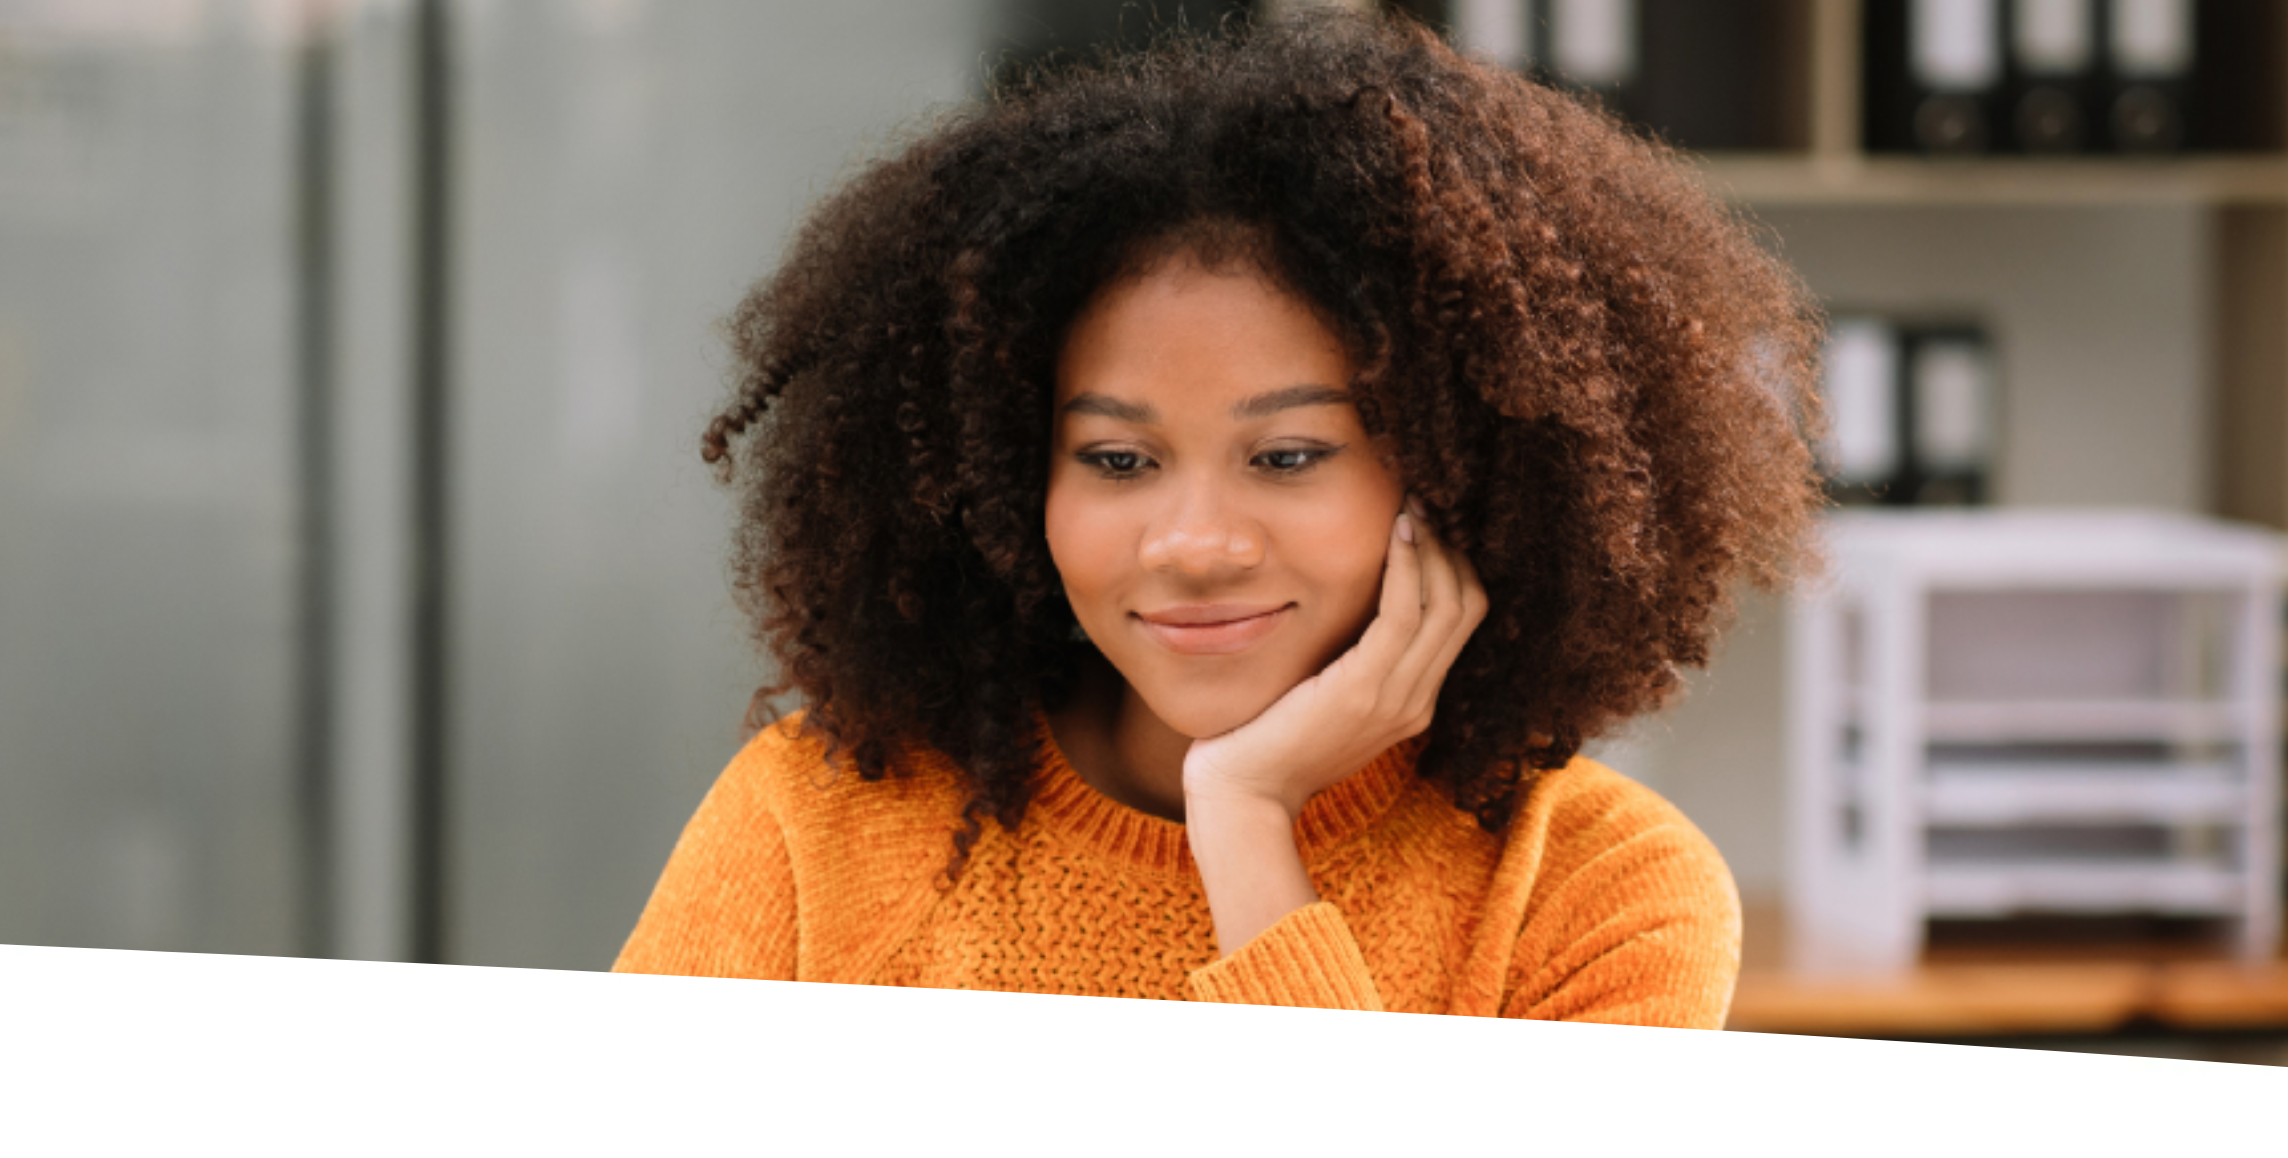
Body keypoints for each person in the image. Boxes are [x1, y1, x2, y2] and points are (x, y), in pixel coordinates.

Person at [614, 9, 1825, 1029]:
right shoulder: (817, 820)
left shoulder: (1600, 893)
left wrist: (1247, 829)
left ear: (1464, 472)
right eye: (1119, 458)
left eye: (1288, 454)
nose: (1194, 544)